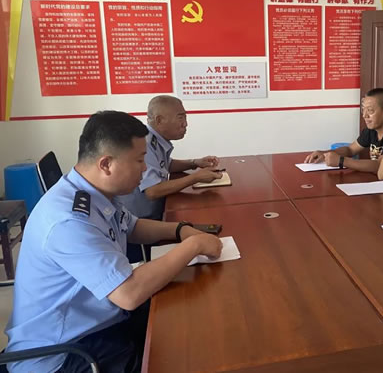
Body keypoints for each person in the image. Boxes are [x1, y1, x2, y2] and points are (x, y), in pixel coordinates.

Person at [4, 111, 224, 373]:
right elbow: (128, 294)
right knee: (181, 353)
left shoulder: (91, 191)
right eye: (139, 160)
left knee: (186, 316)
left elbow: (132, 226)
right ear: (106, 164)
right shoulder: (67, 221)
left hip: (96, 320)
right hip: (64, 354)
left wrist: (180, 230)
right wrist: (193, 246)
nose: (145, 168)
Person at [118, 95, 222, 221]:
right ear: (159, 120)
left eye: (185, 117)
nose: (185, 124)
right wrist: (195, 177)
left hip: (155, 212)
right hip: (141, 221)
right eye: (180, 117)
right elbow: (152, 191)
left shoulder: (154, 139)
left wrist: (195, 163)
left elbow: (166, 164)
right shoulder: (145, 144)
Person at [304, 88, 383, 174]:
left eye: (370, 110)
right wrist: (324, 154)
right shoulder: (373, 128)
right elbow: (350, 149)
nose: (364, 115)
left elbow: (380, 165)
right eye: (363, 110)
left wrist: (341, 161)